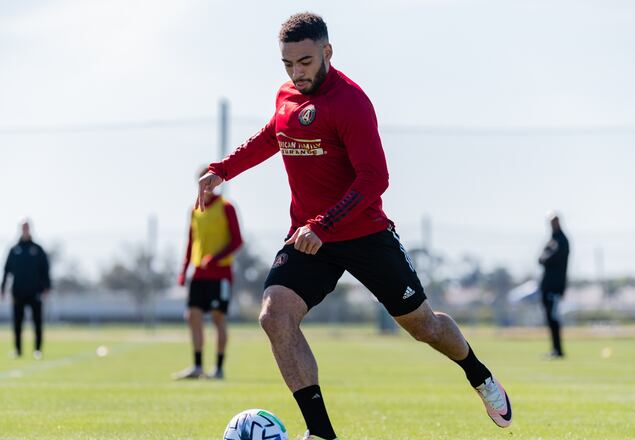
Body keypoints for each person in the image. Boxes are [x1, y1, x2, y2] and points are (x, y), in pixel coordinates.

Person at [196, 13, 512, 439]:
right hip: (310, 239)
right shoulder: (286, 95)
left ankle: (480, 376)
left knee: (425, 327)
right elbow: (274, 135)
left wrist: (324, 225)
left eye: (305, 61)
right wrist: (223, 170)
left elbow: (374, 179)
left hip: (363, 235)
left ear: (327, 52)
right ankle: (321, 433)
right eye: (288, 64)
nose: (297, 72)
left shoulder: (351, 103)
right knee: (274, 314)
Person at [172, 168, 243, 380]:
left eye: (210, 182)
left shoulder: (227, 207)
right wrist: (184, 270)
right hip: (199, 276)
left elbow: (237, 241)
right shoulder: (195, 210)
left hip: (221, 275)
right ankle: (197, 366)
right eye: (203, 182)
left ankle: (218, 368)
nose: (207, 186)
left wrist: (215, 258)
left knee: (217, 317)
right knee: (192, 316)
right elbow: (190, 241)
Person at [0, 218, 51, 360]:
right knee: (17, 324)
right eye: (23, 228)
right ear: (20, 229)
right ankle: (18, 350)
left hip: (35, 292)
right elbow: (6, 270)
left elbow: (45, 269)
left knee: (37, 323)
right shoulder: (14, 250)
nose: (25, 230)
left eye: (27, 227)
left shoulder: (37, 249)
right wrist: (2, 288)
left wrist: (47, 287)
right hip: (18, 292)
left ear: (30, 229)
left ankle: (37, 350)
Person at [538, 211, 570, 358]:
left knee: (554, 317)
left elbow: (547, 259)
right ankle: (555, 349)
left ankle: (558, 350)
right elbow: (540, 259)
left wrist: (546, 255)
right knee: (550, 318)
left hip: (555, 287)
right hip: (547, 286)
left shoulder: (561, 241)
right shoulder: (553, 240)